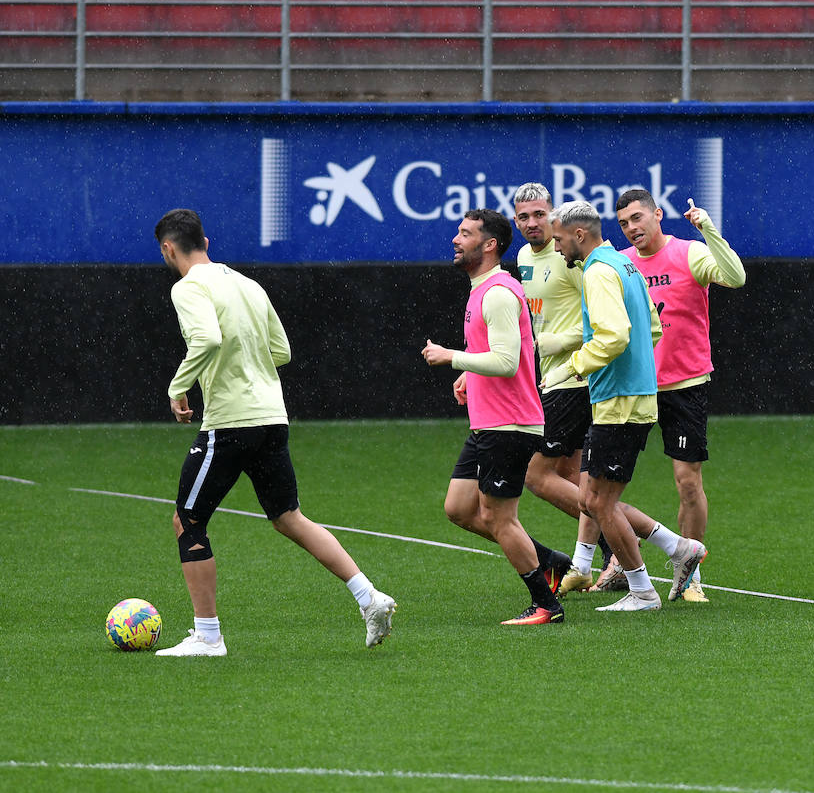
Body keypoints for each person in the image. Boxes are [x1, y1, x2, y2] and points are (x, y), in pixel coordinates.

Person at [153, 208, 395, 657]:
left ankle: (208, 637)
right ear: (205, 241)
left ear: (168, 248)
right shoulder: (247, 284)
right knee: (288, 517)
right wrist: (248, 364)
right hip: (272, 416)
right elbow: (280, 350)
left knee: (188, 521)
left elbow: (205, 339)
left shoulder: (187, 287)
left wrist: (177, 387)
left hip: (230, 421)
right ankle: (369, 597)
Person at [541, 200, 708, 611]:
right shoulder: (625, 264)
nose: (557, 248)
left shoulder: (599, 271)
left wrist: (577, 367)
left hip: (619, 400)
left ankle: (643, 591)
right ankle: (678, 548)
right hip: (630, 393)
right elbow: (651, 327)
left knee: (598, 502)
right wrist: (636, 369)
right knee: (592, 498)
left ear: (579, 235)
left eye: (560, 240)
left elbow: (614, 336)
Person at [422, 208, 567, 625]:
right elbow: (499, 353)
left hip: (510, 424)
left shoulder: (499, 293)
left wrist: (452, 357)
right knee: (459, 508)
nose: (455, 239)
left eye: (465, 234)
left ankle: (546, 604)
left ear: (489, 245)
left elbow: (506, 361)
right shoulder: (481, 288)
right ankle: (547, 559)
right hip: (488, 423)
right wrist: (469, 371)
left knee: (498, 517)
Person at [618, 189, 746, 602]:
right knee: (599, 484)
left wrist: (708, 228)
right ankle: (606, 563)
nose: (632, 228)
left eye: (638, 218)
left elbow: (736, 277)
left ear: (657, 214)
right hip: (633, 386)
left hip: (684, 385)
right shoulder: (620, 264)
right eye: (624, 223)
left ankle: (689, 575)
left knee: (687, 483)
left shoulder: (690, 253)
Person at [511, 183, 617, 593]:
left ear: (553, 213)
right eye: (524, 217)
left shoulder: (570, 258)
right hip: (550, 378)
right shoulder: (522, 257)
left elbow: (597, 315)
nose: (533, 223)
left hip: (574, 378)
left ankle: (627, 542)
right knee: (574, 477)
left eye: (540, 214)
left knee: (537, 476)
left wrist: (561, 341)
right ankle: (610, 557)